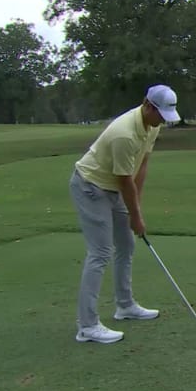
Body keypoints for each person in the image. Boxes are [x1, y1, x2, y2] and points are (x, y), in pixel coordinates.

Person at [68, 84, 181, 343]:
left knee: (127, 244)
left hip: (114, 186)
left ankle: (125, 305)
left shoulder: (152, 125)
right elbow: (124, 180)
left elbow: (142, 165)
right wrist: (136, 216)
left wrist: (136, 209)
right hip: (90, 186)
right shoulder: (124, 134)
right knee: (100, 252)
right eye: (160, 114)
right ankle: (87, 326)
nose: (162, 120)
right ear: (147, 105)